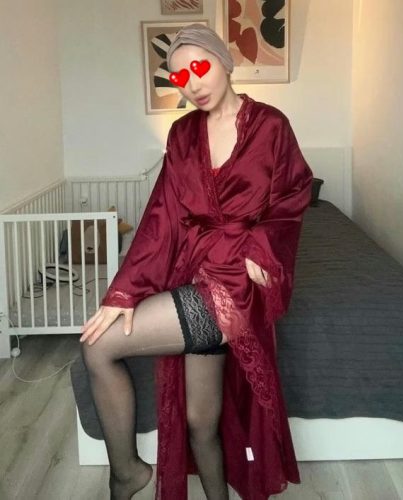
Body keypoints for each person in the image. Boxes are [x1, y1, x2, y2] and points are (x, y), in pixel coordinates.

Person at [79, 23, 313, 500]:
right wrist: (124, 290)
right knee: (199, 423)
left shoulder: (271, 126)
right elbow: (161, 217)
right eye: (180, 77)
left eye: (200, 67)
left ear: (224, 62)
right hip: (193, 273)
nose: (193, 83)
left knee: (98, 348)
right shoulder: (182, 133)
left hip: (235, 285)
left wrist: (261, 245)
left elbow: (293, 193)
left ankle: (127, 473)